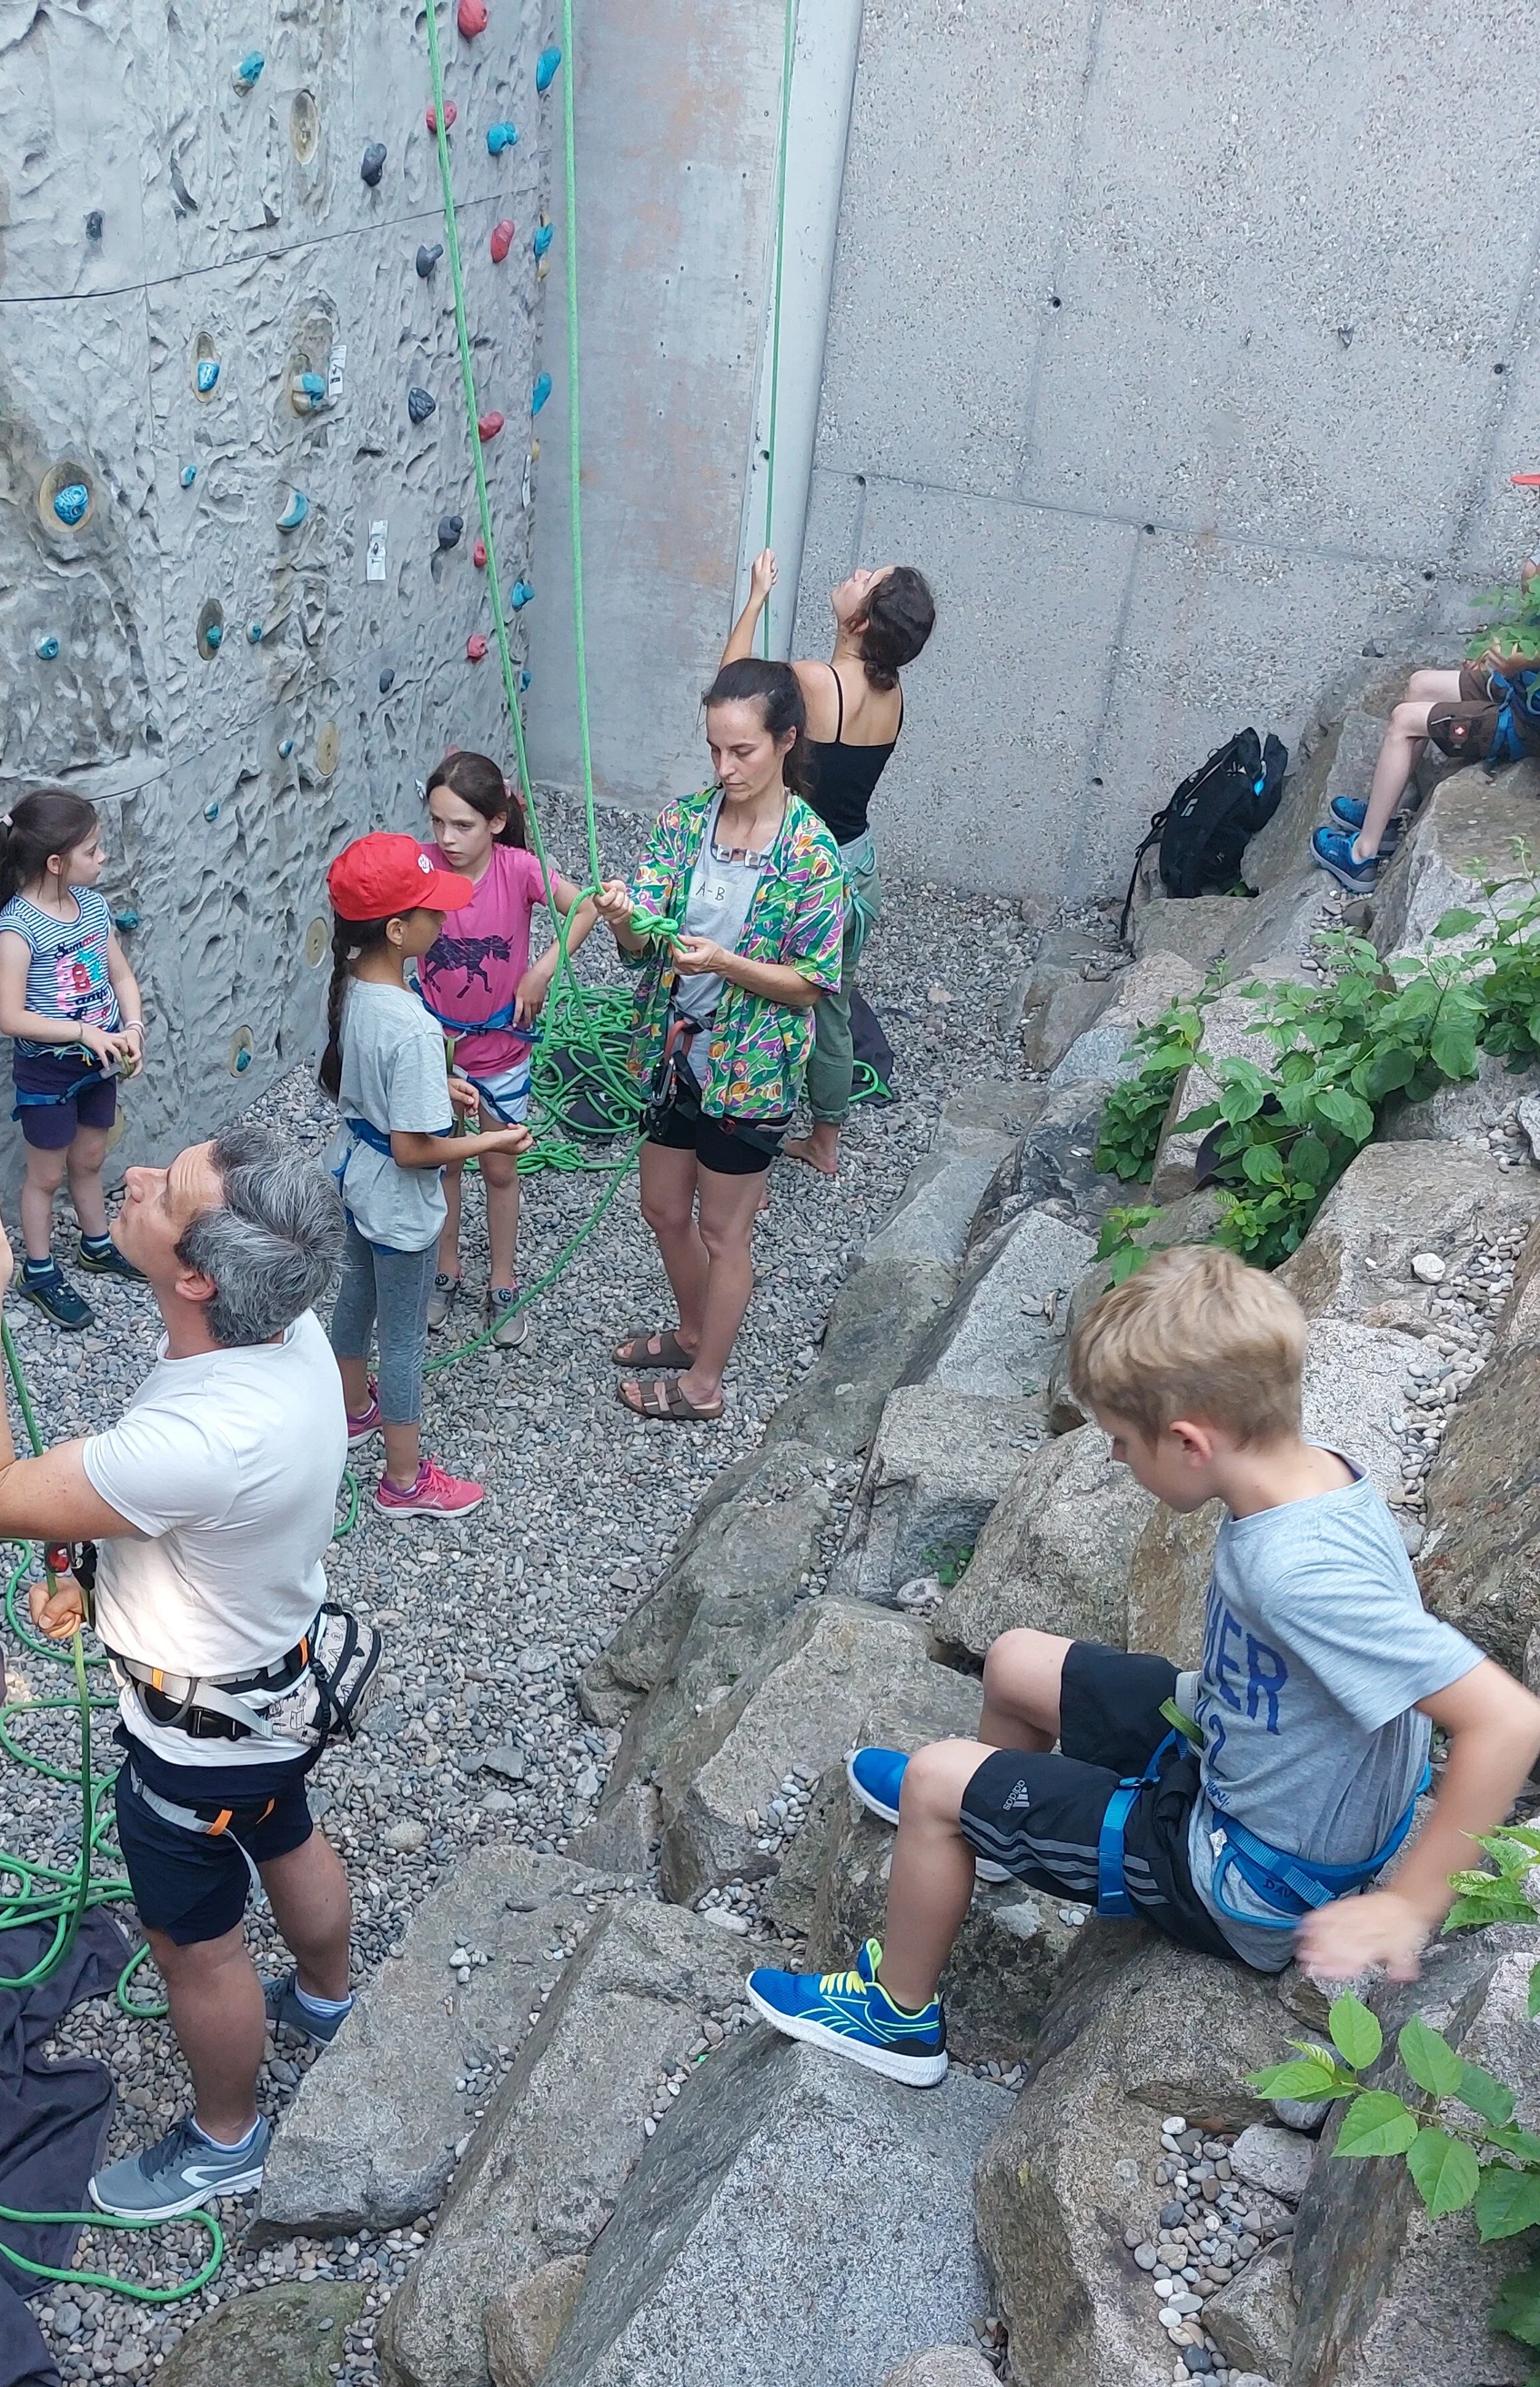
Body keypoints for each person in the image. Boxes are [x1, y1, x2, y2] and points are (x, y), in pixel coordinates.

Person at [744, 1247, 1540, 2083]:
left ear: (1190, 1442)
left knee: (936, 1780)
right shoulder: (1322, 1473)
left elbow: (1508, 1719)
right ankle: (993, 1830)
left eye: (1122, 1442)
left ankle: (899, 2015)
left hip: (1246, 1868)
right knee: (1014, 1659)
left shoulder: (1296, 1574)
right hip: (1253, 1740)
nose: (1118, 1460)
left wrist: (1408, 1905)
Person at [0, 1124, 357, 2220]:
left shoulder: (202, 1439)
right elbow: (152, 1502)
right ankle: (325, 1997)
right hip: (278, 1685)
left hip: (193, 1739)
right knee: (287, 1825)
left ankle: (227, 2135)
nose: (133, 1176)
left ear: (198, 1275)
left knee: (197, 1950)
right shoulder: (285, 1328)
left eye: (163, 1190)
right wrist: (81, 1554)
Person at [594, 660, 844, 1422]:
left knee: (723, 1227)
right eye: (714, 749)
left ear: (785, 742)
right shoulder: (684, 821)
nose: (724, 767)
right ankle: (694, 1329)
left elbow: (814, 980)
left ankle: (705, 1383)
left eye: (742, 752)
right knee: (662, 1208)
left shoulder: (811, 854)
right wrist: (622, 921)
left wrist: (729, 963)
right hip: (674, 1051)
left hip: (754, 1070)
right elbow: (641, 944)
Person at [321, 832, 530, 1516]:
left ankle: (352, 1409)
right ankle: (404, 1481)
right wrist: (492, 1140)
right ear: (396, 927)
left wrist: (440, 1086)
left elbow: (382, 1095)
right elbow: (416, 1152)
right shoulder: (412, 1024)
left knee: (357, 1295)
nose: (446, 923)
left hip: (354, 1173)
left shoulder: (356, 985)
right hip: (397, 1197)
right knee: (405, 1337)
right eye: (433, 913)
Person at [720, 551, 935, 1175]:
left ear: (864, 620)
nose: (856, 574)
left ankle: (746, 1138)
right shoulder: (891, 694)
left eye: (868, 581)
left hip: (802, 861)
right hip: (857, 860)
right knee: (830, 1000)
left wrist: (758, 596)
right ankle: (825, 1140)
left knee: (761, 994)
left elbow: (733, 683)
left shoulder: (817, 681)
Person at [415, 750, 599, 1345]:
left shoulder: (518, 869)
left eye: (462, 825)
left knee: (499, 1166)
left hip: (502, 1054)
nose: (447, 837)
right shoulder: (422, 869)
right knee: (443, 1163)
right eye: (438, 822)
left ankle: (502, 1280)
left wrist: (543, 970)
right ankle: (445, 1270)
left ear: (496, 822)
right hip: (437, 1052)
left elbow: (589, 904)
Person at [0, 787, 146, 1331]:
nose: (103, 858)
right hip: (49, 1072)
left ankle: (95, 1243)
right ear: (56, 863)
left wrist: (133, 1027)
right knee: (46, 1175)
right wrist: (82, 1031)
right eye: (93, 851)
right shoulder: (17, 929)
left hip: (99, 1061)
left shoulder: (93, 908)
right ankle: (39, 1269)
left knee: (91, 1159)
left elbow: (120, 975)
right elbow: (9, 1017)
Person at [1313, 565, 1540, 893]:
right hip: (1518, 691)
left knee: (1404, 723)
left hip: (1525, 725)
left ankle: (1362, 855)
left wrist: (1525, 662)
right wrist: (1495, 650)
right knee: (1420, 684)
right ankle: (1384, 815)